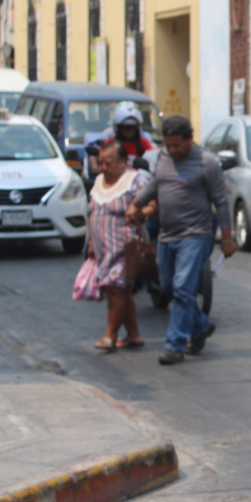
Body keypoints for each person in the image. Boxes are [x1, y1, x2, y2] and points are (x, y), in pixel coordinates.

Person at [126, 115, 236, 366]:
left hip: (195, 235)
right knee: (167, 288)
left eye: (178, 145)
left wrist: (227, 239)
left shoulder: (207, 163)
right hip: (167, 234)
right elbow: (156, 184)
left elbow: (221, 201)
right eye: (169, 145)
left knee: (183, 288)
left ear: (190, 138)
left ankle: (174, 346)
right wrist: (137, 204)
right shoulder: (163, 157)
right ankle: (200, 327)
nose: (173, 150)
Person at [87, 141, 146, 352]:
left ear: (123, 162)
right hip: (103, 249)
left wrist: (138, 212)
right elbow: (91, 212)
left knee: (117, 289)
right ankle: (133, 335)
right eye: (101, 163)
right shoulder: (99, 180)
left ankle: (110, 335)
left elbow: (148, 205)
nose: (103, 168)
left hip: (124, 247)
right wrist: (91, 242)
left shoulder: (135, 180)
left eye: (108, 164)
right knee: (120, 290)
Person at [88, 102, 156, 175]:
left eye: (132, 127)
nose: (129, 130)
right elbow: (95, 155)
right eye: (125, 127)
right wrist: (95, 168)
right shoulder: (111, 143)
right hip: (114, 180)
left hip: (136, 181)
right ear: (119, 128)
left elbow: (153, 156)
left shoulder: (142, 142)